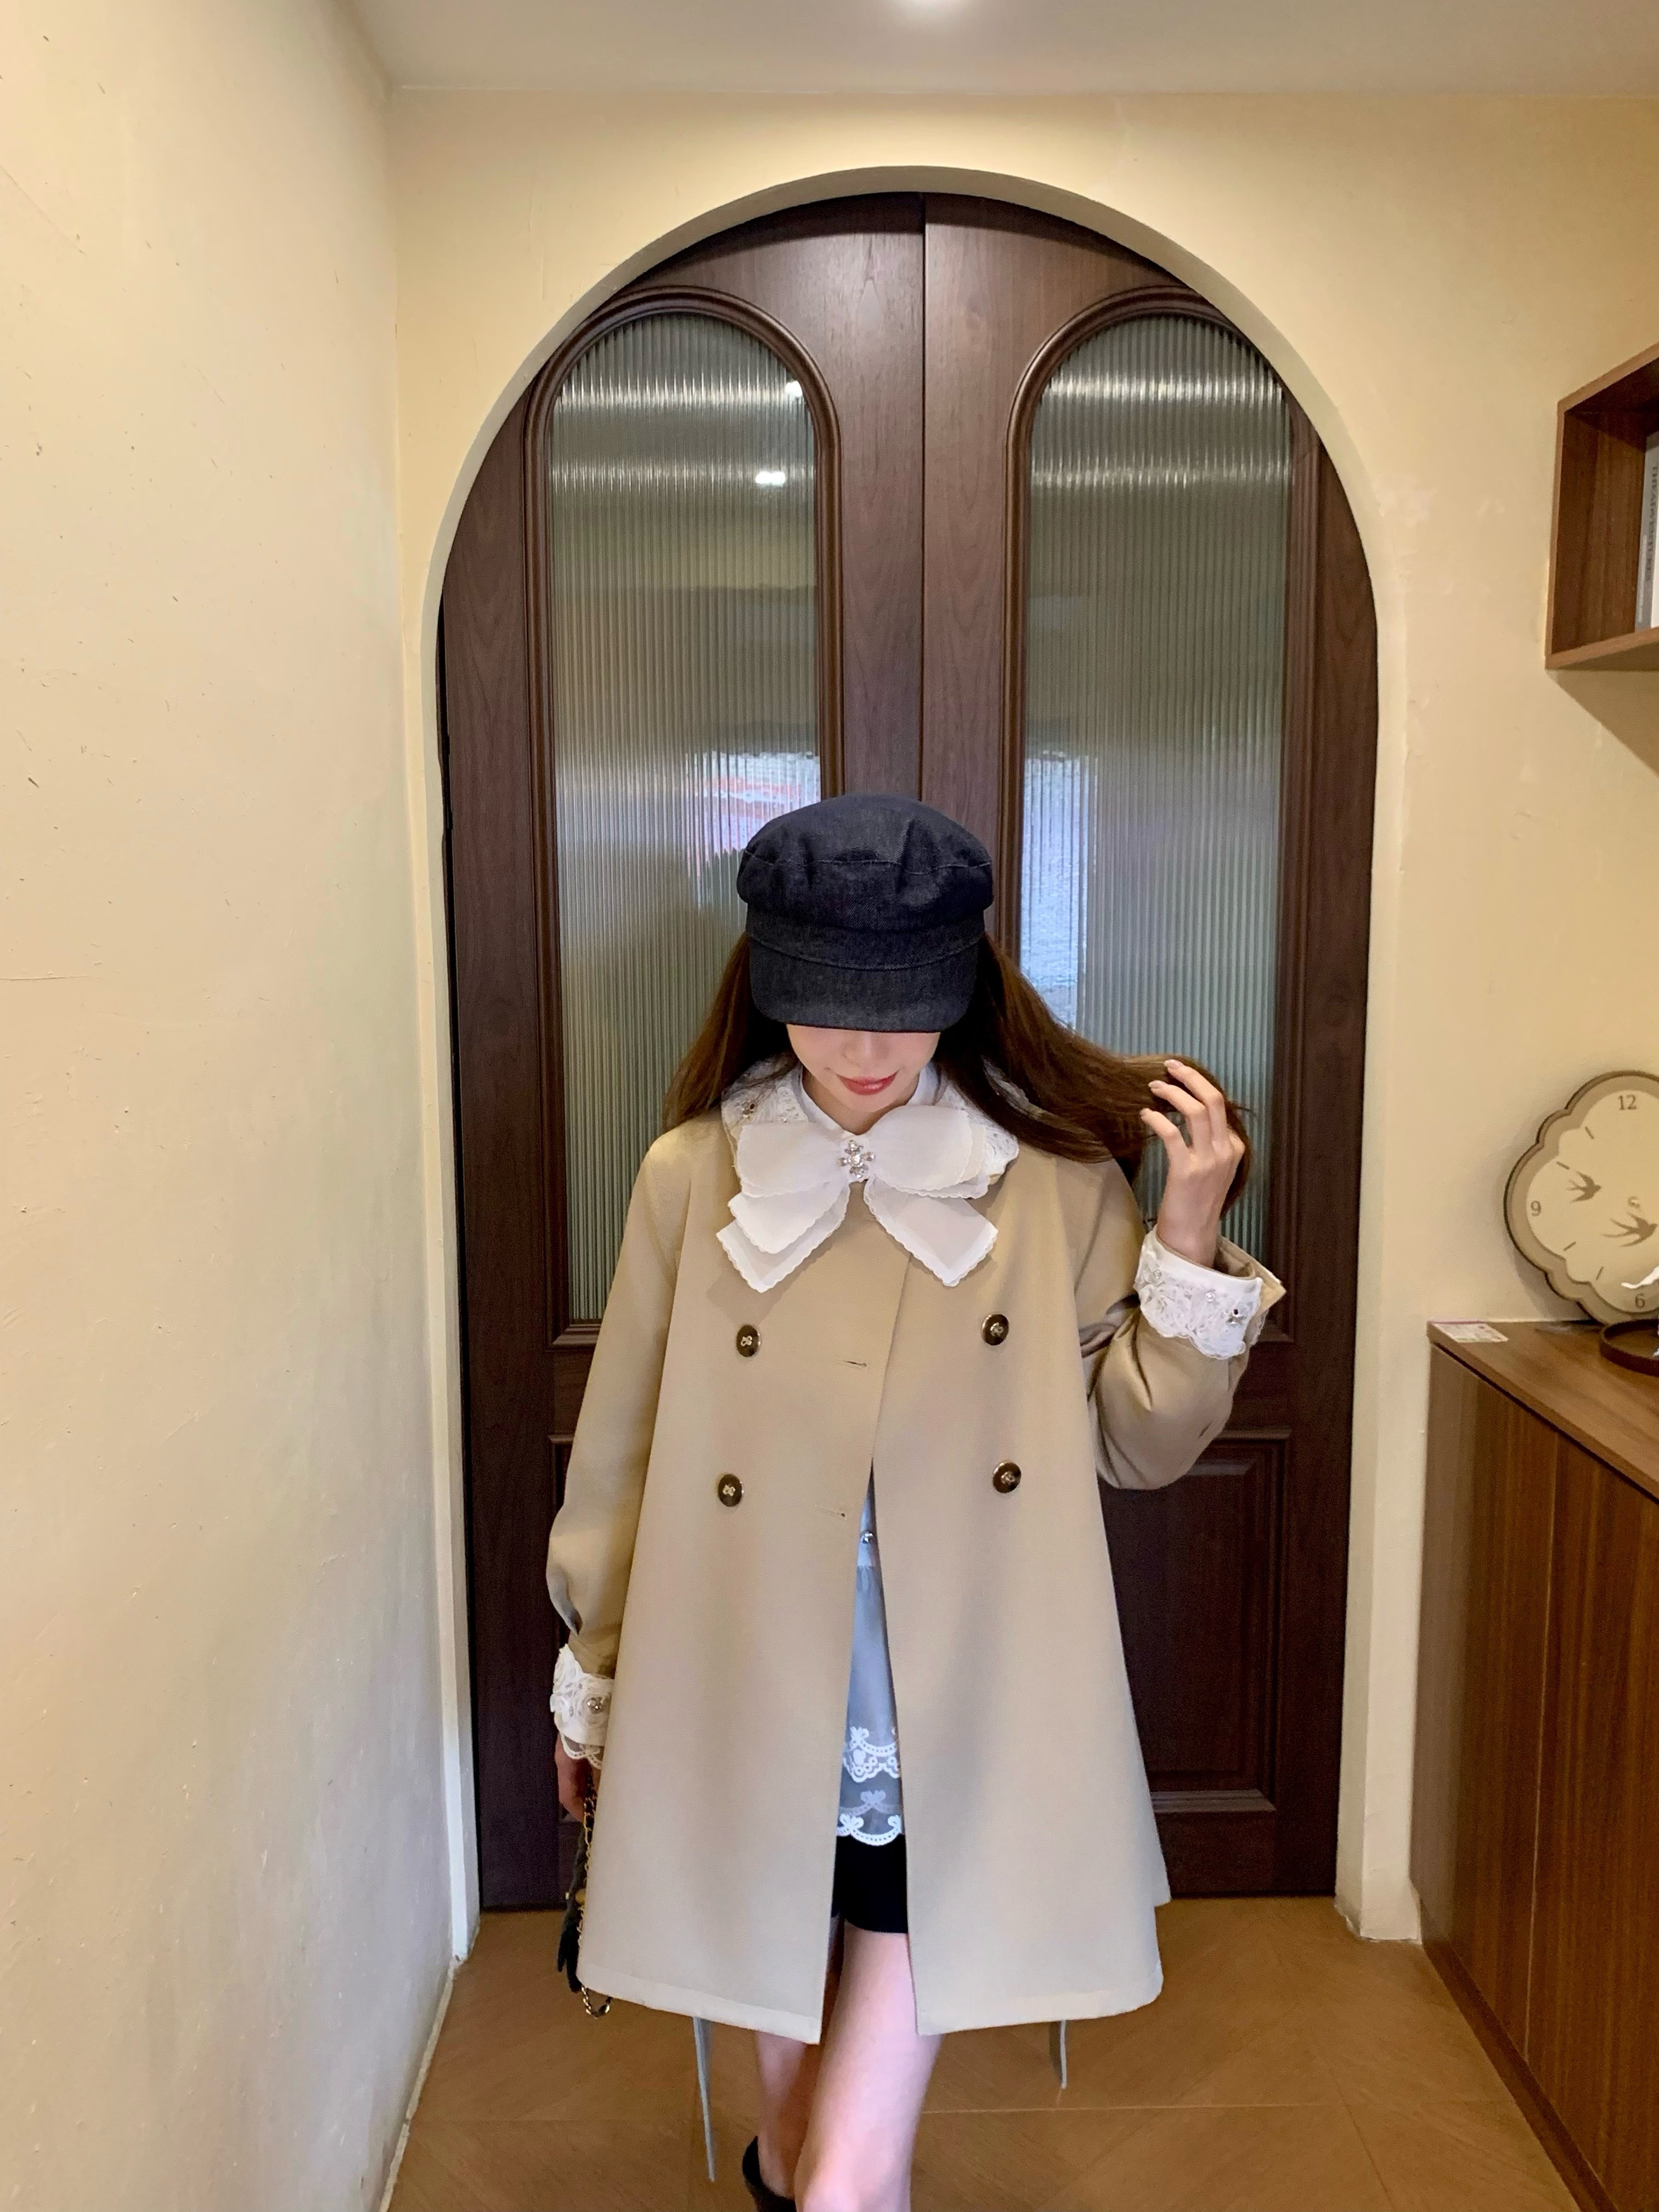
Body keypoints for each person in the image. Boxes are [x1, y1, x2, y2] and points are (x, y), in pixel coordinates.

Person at [546, 794, 1283, 2212]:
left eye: (905, 1004)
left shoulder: (1050, 1178)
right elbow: (624, 1448)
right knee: (793, 2141)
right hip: (738, 1672)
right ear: (769, 983)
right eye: (829, 1002)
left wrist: (1187, 1238)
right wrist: (594, 1677)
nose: (869, 1047)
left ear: (962, 987)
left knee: (844, 2179)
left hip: (950, 1700)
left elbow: (1139, 1443)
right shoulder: (696, 1175)